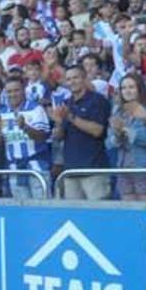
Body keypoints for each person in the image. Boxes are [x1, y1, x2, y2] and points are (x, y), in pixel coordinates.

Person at [51, 65, 112, 200]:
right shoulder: (66, 103)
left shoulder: (98, 100)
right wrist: (59, 122)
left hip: (93, 169)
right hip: (71, 170)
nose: (72, 82)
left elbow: (97, 130)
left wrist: (70, 117)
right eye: (68, 79)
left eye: (76, 78)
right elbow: (59, 137)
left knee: (98, 215)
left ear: (84, 79)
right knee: (74, 217)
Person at [107, 73, 146, 201]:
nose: (127, 91)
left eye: (131, 87)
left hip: (145, 167)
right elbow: (109, 143)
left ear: (139, 89)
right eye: (123, 88)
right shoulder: (117, 112)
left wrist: (126, 130)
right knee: (129, 213)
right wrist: (118, 135)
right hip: (124, 167)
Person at [0, 76, 51, 199]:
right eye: (9, 91)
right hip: (15, 170)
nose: (12, 94)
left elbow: (43, 136)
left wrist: (25, 127)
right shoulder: (1, 113)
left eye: (16, 90)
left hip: (36, 168)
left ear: (24, 91)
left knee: (43, 211)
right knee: (22, 213)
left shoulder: (35, 109)